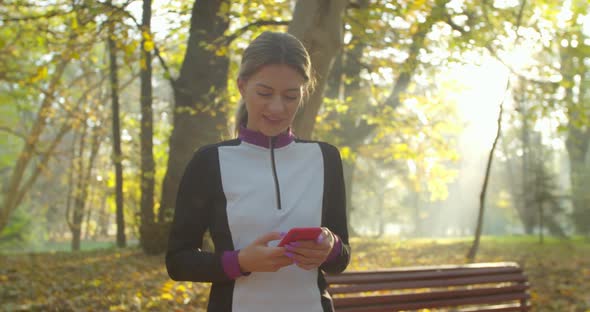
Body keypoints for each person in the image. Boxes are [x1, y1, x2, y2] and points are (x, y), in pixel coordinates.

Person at [166, 31, 350, 312]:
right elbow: (178, 261)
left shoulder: (325, 158)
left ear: (304, 92)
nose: (277, 107)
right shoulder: (209, 161)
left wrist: (331, 246)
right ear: (242, 86)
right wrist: (239, 262)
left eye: (291, 96)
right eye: (264, 93)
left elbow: (341, 259)